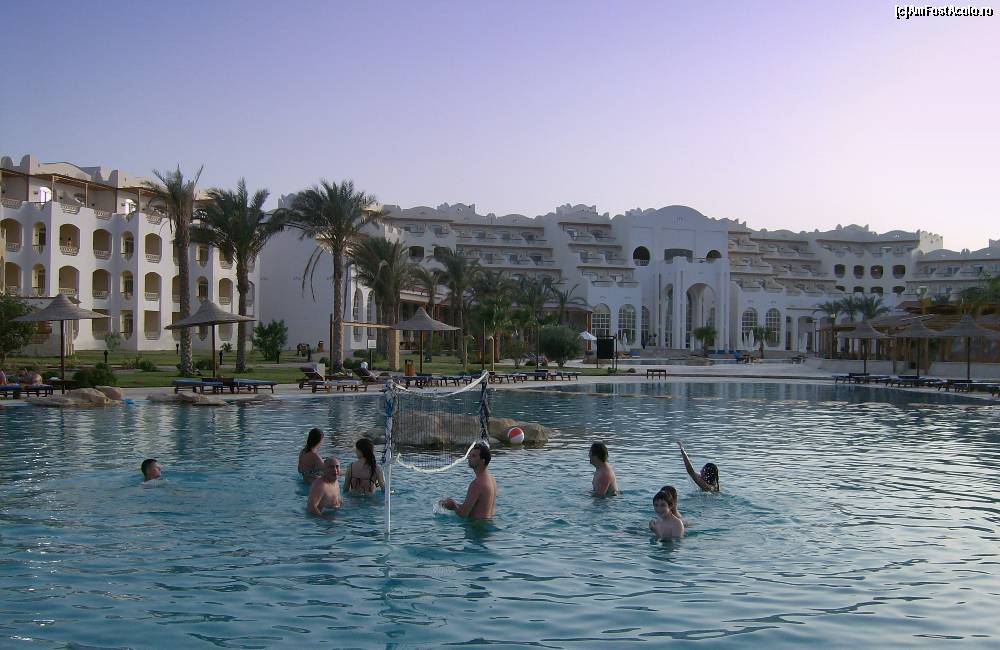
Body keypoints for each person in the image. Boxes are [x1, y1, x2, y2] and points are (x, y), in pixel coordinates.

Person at [439, 442, 496, 520]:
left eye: (473, 456)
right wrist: (456, 504)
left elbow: (463, 514)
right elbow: (480, 508)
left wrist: (453, 505)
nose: (469, 458)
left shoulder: (477, 484)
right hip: (485, 524)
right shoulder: (492, 479)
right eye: (470, 455)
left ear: (482, 461)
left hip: (475, 526)